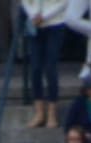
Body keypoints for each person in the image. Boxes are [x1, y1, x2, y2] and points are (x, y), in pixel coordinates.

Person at [23, 0, 72, 131]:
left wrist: (44, 16)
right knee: (35, 69)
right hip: (35, 24)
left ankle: (52, 112)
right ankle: (39, 112)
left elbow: (64, 3)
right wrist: (33, 15)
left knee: (50, 68)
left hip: (55, 23)